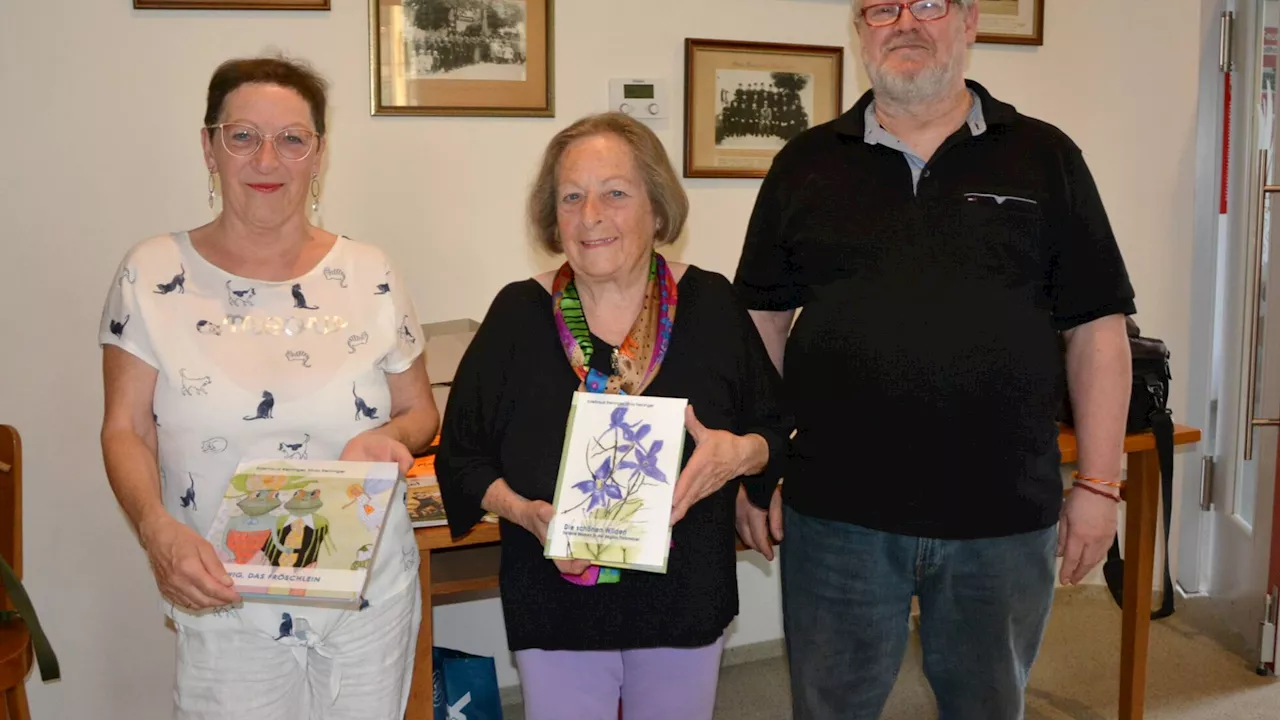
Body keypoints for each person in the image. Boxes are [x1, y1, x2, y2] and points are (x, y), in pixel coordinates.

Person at [733, 1, 1135, 718]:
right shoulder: (805, 165)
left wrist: (1100, 486)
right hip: (836, 518)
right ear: (860, 30)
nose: (905, 24)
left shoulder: (1046, 158)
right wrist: (759, 465)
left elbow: (1098, 330)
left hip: (1003, 517)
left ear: (970, 21)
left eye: (928, 4)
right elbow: (760, 320)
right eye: (882, 8)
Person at [97, 55, 439, 719]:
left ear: (319, 155)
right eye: (243, 135)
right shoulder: (150, 274)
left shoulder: (371, 273)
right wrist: (154, 528)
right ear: (209, 147)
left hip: (367, 596)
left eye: (292, 139)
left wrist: (387, 437)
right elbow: (125, 428)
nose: (267, 160)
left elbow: (419, 411)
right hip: (225, 599)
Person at [435, 112, 791, 720]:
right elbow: (461, 458)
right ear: (554, 217)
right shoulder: (518, 314)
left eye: (615, 193)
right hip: (556, 602)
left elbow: (772, 430)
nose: (590, 214)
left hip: (682, 597)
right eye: (571, 196)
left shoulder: (711, 305)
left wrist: (742, 455)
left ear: (657, 208)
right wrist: (524, 511)